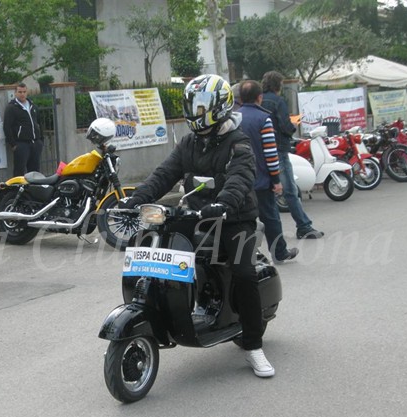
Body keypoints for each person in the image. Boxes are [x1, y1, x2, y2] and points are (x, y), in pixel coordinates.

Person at [119, 74, 275, 378]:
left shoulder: (238, 142)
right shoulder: (189, 142)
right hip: (196, 212)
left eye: (201, 105)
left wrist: (224, 204)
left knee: (243, 273)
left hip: (234, 217)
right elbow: (164, 173)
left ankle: (253, 345)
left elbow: (240, 178)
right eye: (193, 105)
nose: (196, 111)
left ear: (220, 105)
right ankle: (174, 309)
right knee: (160, 246)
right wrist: (135, 199)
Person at [238, 80, 298, 263]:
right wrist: (276, 179)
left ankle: (244, 255)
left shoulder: (233, 119)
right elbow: (270, 154)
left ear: (241, 98)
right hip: (261, 180)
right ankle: (279, 252)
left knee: (242, 220)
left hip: (238, 180)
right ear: (259, 97)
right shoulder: (264, 119)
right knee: (271, 218)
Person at [260, 71, 324, 239]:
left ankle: (267, 229)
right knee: (290, 190)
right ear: (277, 85)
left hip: (261, 150)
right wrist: (292, 127)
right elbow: (284, 125)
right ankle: (303, 226)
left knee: (266, 191)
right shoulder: (278, 101)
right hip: (278, 148)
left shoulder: (259, 100)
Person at [3, 83, 43, 177]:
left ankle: (34, 186)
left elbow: (39, 123)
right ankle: (18, 186)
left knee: (35, 171)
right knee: (19, 170)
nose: (22, 94)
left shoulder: (33, 106)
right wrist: (13, 144)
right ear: (15, 93)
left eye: (24, 92)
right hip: (21, 144)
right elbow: (7, 127)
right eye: (20, 92)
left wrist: (41, 140)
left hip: (35, 143)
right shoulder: (11, 108)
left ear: (27, 92)